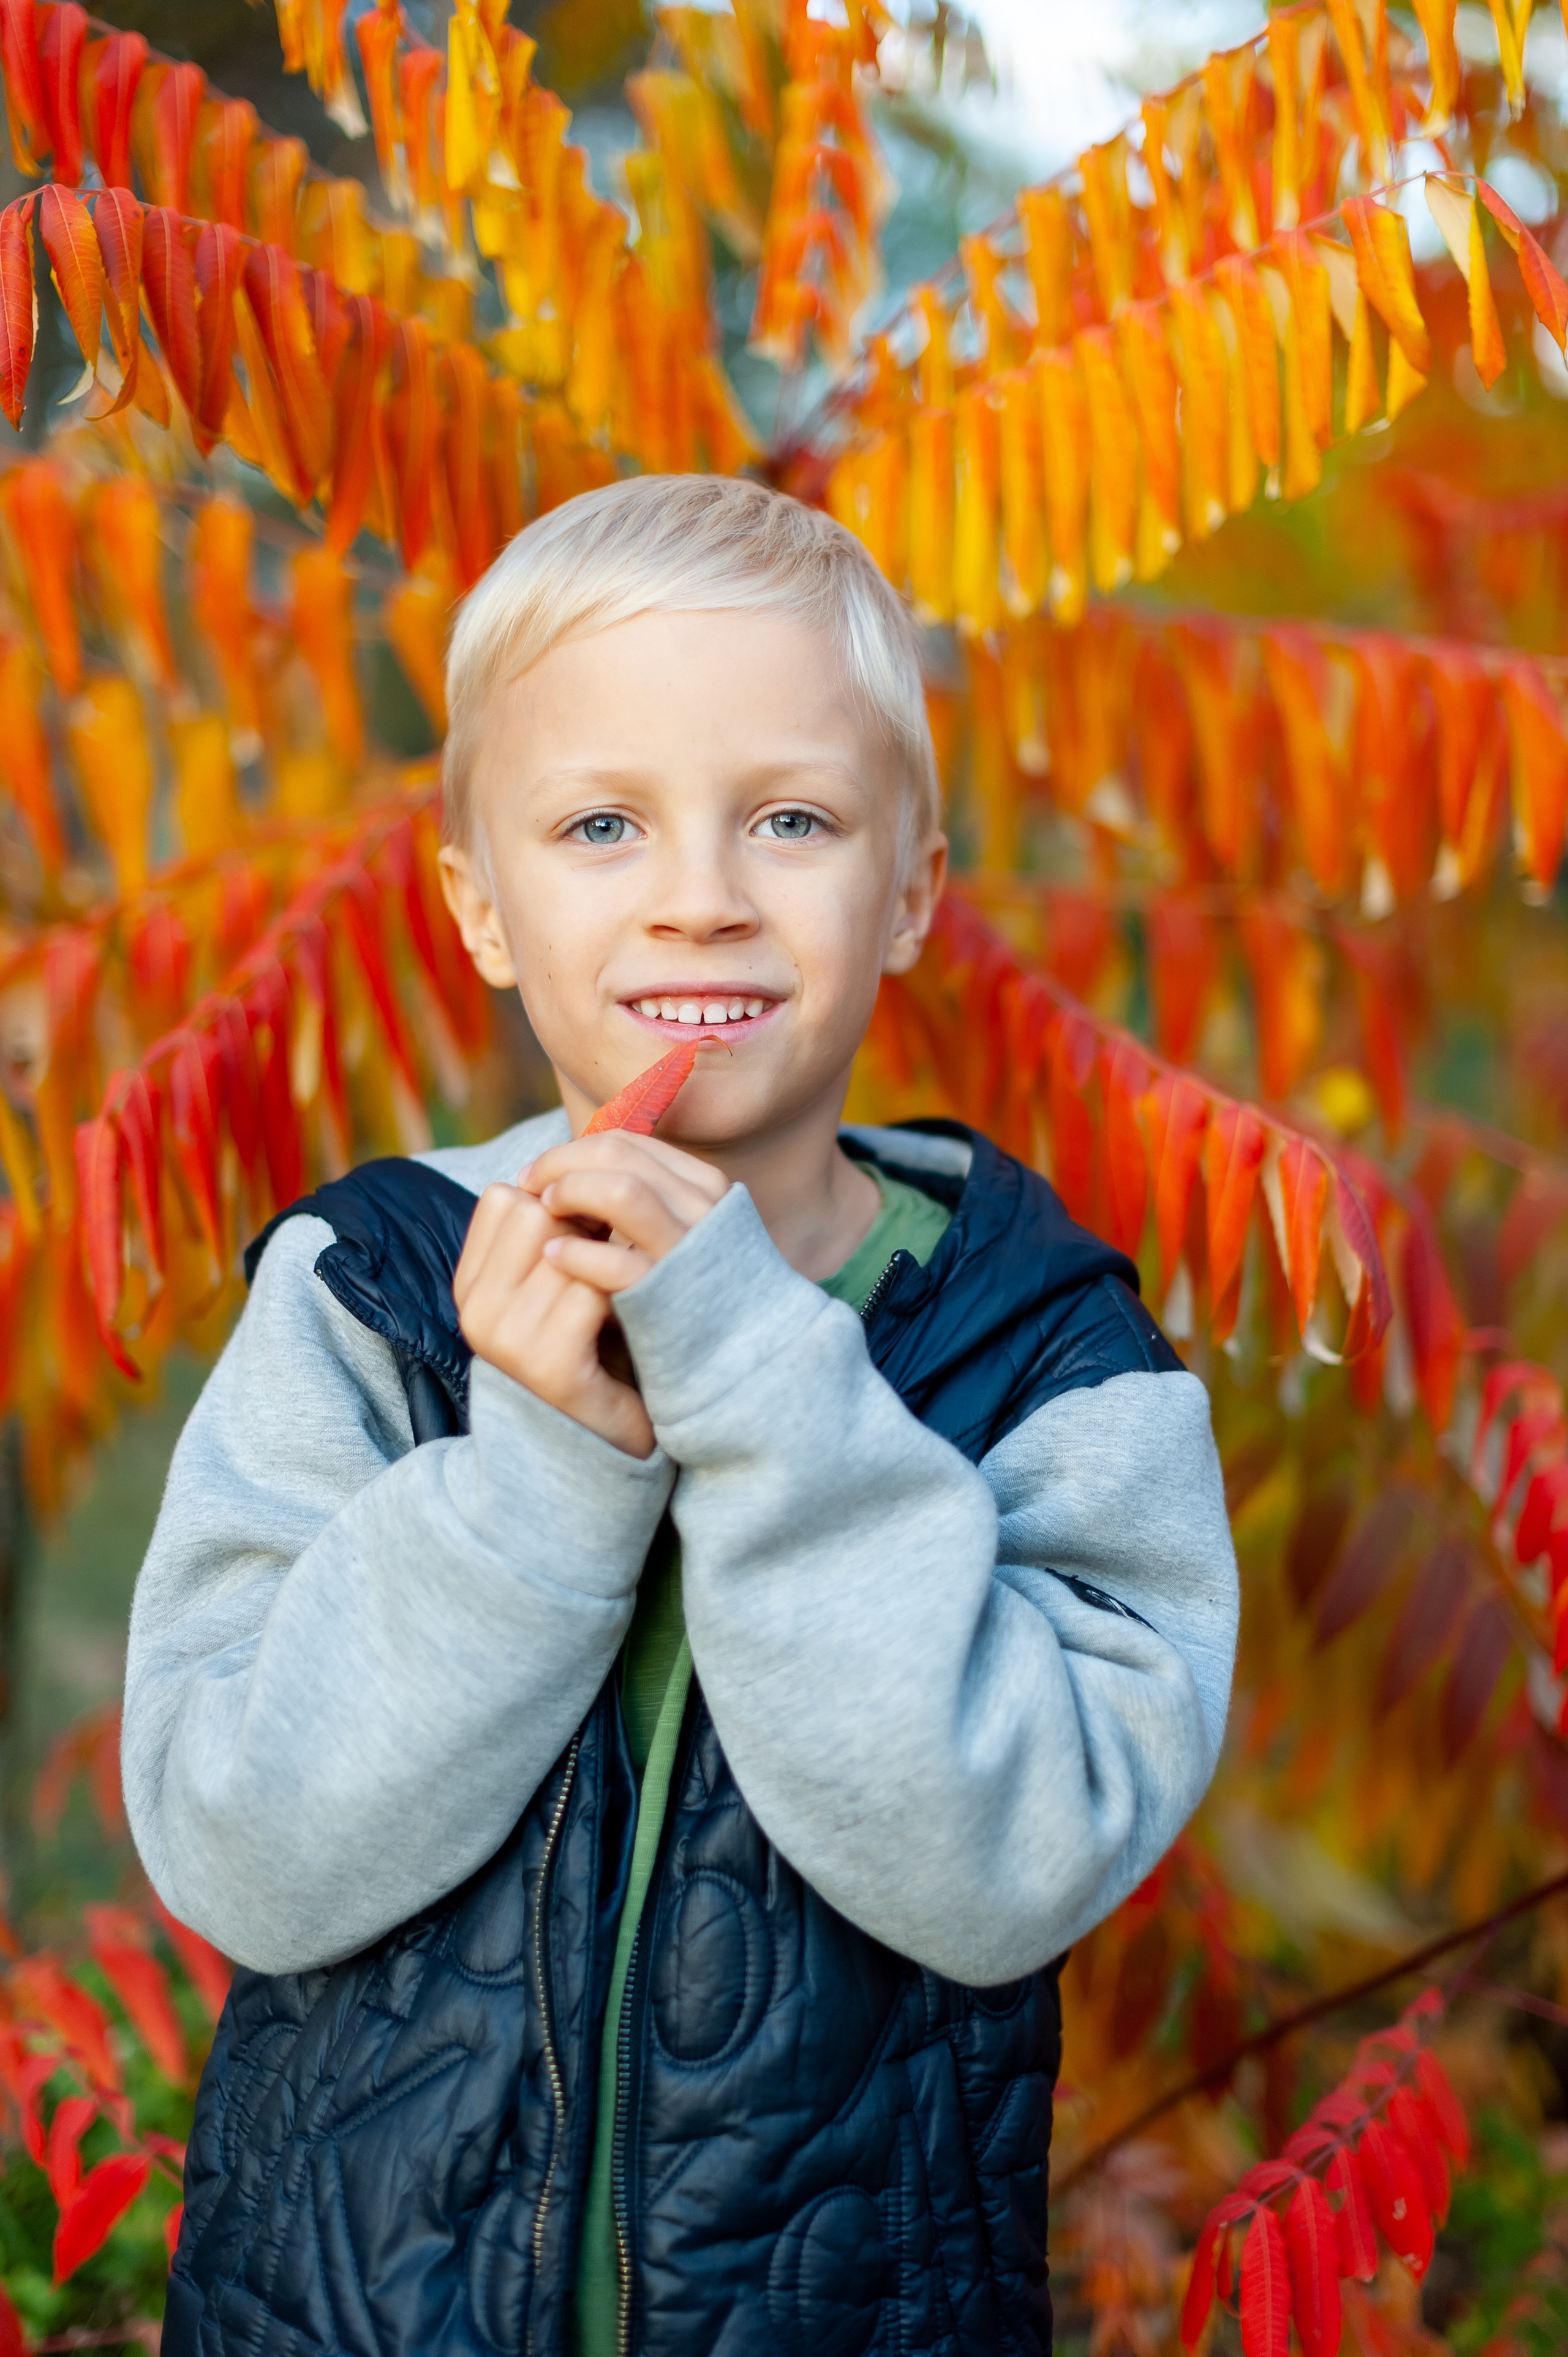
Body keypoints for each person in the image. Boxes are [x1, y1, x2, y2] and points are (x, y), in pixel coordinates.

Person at [124, 474, 1238, 2357]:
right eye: (602, 823)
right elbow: (242, 1848)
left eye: (791, 818)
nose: (700, 893)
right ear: (481, 906)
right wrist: (534, 1480)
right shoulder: (372, 1294)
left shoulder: (1050, 1360)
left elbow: (1008, 1865)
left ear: (912, 891)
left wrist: (748, 1369)